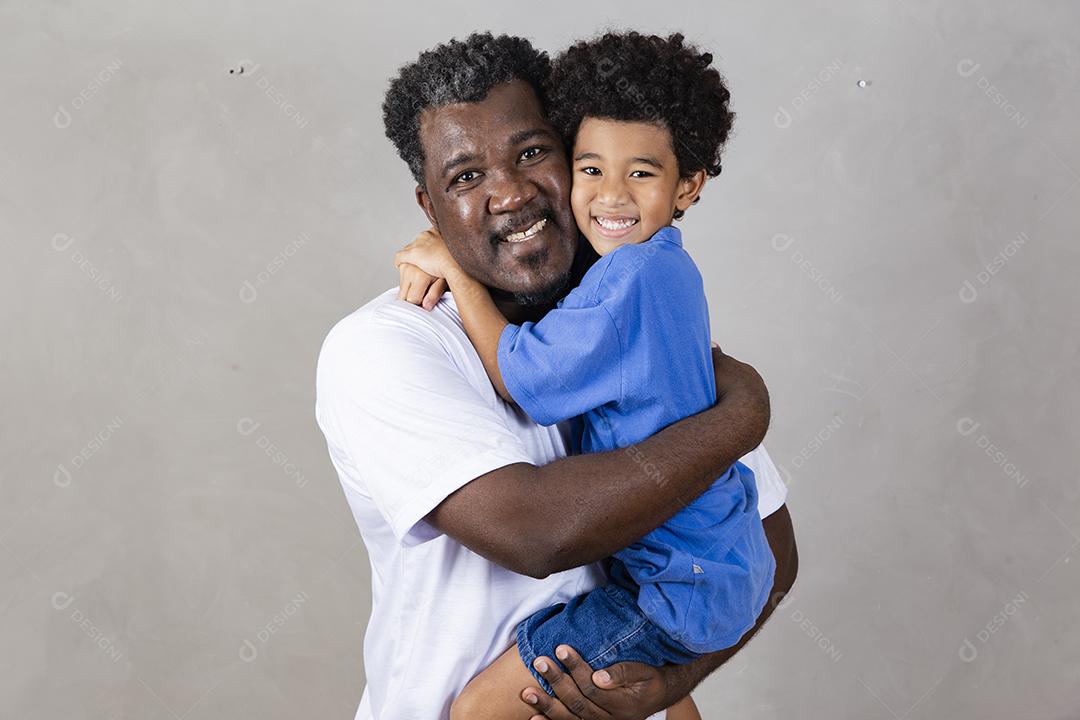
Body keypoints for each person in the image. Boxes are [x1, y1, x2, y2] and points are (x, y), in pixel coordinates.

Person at [314, 32, 798, 720]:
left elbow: (771, 544)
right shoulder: (384, 347)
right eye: (466, 176)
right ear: (430, 210)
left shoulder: (625, 311)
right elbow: (538, 532)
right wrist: (740, 414)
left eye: (533, 152)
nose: (509, 193)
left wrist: (668, 685)